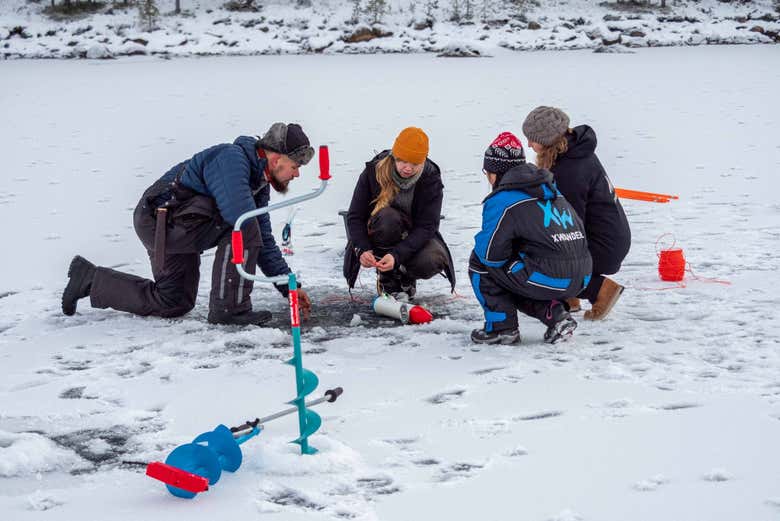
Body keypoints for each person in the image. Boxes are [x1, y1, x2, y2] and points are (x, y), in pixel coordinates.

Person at [61, 122, 313, 326]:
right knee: (244, 225)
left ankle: (90, 279)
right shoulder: (231, 159)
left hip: (180, 226)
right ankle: (230, 309)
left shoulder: (257, 181)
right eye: (295, 166)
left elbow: (265, 242)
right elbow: (241, 220)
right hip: (161, 223)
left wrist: (289, 287)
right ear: (277, 158)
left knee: (174, 302)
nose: (296, 174)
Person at [469, 132, 592, 345]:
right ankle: (556, 314)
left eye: (487, 172)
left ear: (495, 173)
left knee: (481, 262)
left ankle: (501, 327)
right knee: (518, 272)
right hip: (583, 277)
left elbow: (491, 254)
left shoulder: (502, 199)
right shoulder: (551, 188)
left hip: (549, 277)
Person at [523, 106, 631, 321]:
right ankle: (570, 295)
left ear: (548, 140)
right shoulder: (576, 152)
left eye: (532, 139)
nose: (528, 145)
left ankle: (600, 289)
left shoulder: (569, 169)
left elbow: (569, 228)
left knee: (540, 259)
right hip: (611, 238)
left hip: (604, 247)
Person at [343, 127, 455, 300]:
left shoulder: (430, 178)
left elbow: (427, 226)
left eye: (415, 164)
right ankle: (387, 278)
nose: (408, 168)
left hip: (413, 236)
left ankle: (406, 278)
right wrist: (362, 249)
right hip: (382, 231)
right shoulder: (373, 172)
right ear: (395, 155)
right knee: (388, 218)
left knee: (434, 259)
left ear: (423, 161)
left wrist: (397, 256)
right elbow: (355, 216)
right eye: (402, 161)